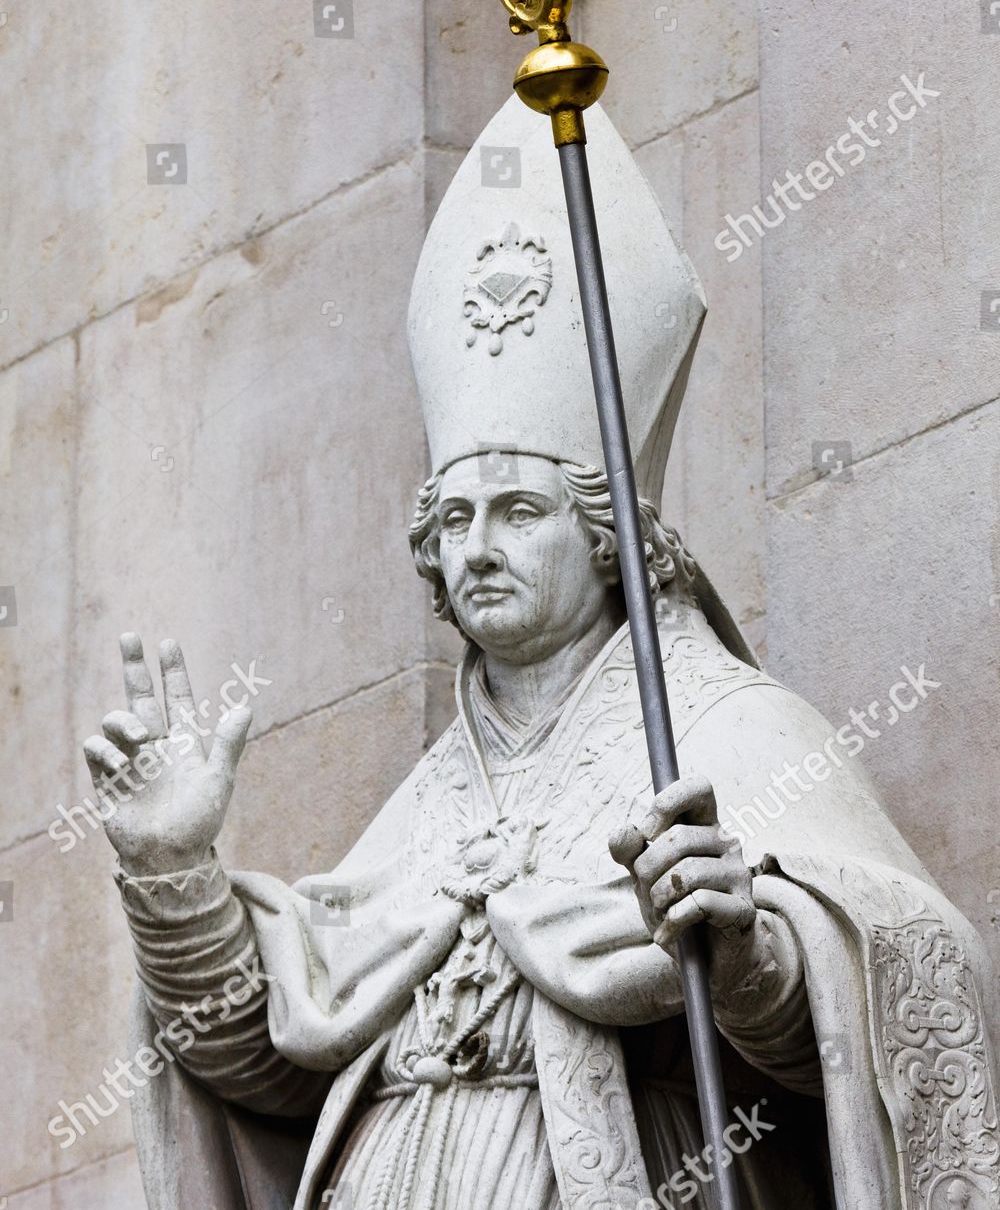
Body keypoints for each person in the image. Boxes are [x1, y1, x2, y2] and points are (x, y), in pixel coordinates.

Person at [84, 98, 1000, 1209]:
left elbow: (888, 984)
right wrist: (175, 878)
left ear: (611, 539)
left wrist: (749, 947)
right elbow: (265, 1066)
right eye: (452, 522)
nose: (476, 549)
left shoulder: (730, 728)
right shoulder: (430, 801)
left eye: (518, 510)